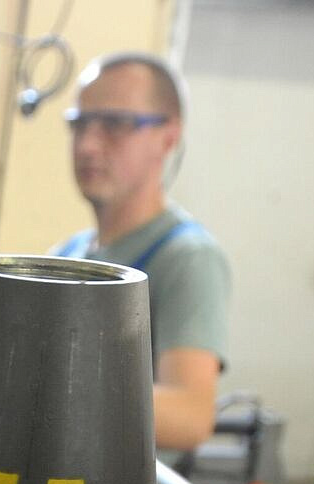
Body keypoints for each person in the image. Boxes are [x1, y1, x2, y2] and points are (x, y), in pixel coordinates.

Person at [50, 52, 229, 452]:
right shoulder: (68, 253)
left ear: (168, 137)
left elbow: (190, 415)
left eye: (115, 124)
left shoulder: (186, 258)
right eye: (80, 124)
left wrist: (51, 385)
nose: (88, 145)